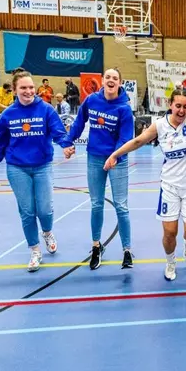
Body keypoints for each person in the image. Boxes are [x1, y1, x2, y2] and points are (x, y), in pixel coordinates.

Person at [105, 87, 186, 281]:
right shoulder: (160, 125)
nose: (182, 111)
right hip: (169, 186)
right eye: (178, 106)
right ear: (170, 105)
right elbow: (138, 141)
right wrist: (116, 154)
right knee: (170, 232)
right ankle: (170, 262)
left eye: (185, 106)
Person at [0, 71, 74, 272]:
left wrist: (66, 146)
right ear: (14, 90)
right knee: (27, 212)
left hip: (42, 166)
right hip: (17, 168)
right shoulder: (7, 115)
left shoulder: (46, 110)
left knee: (44, 209)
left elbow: (58, 132)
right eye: (23, 88)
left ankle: (47, 232)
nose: (28, 91)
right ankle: (34, 250)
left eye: (31, 87)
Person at [66, 68, 134, 270]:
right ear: (102, 80)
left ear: (120, 83)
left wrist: (114, 156)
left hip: (117, 159)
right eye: (108, 77)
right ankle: (96, 246)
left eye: (115, 78)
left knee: (121, 206)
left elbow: (125, 138)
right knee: (96, 204)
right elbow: (79, 123)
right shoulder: (91, 101)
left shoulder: (124, 109)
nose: (111, 80)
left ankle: (127, 250)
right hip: (95, 157)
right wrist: (68, 142)